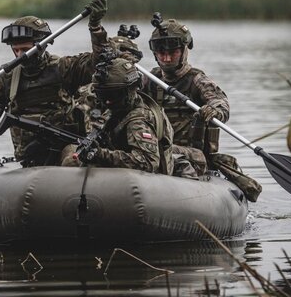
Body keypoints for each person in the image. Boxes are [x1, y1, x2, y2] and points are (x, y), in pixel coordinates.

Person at [0, 0, 111, 166]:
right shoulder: (7, 77)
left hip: (65, 146)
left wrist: (96, 27)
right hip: (30, 153)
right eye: (15, 50)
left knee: (72, 162)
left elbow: (100, 63)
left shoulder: (63, 67)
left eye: (25, 50)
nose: (19, 55)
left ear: (42, 45)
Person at [143, 16, 262, 201]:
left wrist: (214, 110)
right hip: (155, 147)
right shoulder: (149, 79)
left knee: (165, 151)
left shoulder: (197, 80)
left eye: (172, 52)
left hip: (193, 154)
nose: (166, 58)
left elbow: (220, 101)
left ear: (184, 51)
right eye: (160, 52)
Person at [76, 56, 174, 175]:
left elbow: (148, 163)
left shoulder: (138, 122)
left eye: (113, 95)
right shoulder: (119, 107)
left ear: (131, 89)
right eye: (103, 95)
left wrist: (100, 154)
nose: (107, 101)